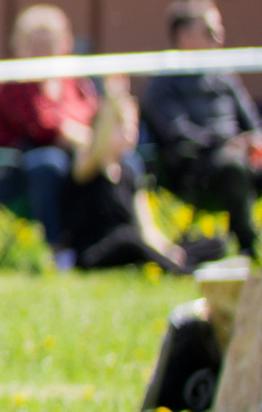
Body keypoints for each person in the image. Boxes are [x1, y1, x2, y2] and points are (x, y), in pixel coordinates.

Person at [140, 0, 260, 259]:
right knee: (233, 167)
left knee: (240, 162)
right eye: (209, 31)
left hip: (240, 156)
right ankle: (248, 247)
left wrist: (253, 140)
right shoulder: (164, 85)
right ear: (184, 36)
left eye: (220, 30)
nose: (218, 38)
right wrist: (228, 144)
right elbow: (177, 134)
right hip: (196, 168)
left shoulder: (224, 77)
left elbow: (252, 122)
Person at [0, 4, 97, 265]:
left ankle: (100, 243)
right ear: (20, 46)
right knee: (48, 164)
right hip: (12, 175)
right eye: (36, 45)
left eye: (50, 44)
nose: (44, 52)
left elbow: (93, 114)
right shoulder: (12, 85)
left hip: (74, 161)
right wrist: (87, 136)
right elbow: (42, 127)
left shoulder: (75, 82)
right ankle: (59, 250)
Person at [61, 86, 215, 274]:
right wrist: (112, 102)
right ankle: (182, 271)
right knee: (128, 237)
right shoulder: (88, 164)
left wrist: (168, 249)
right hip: (95, 251)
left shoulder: (129, 171)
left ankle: (185, 262)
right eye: (124, 126)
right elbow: (94, 144)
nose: (130, 133)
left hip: (134, 243)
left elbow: (146, 227)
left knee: (212, 242)